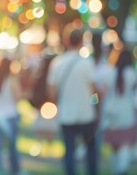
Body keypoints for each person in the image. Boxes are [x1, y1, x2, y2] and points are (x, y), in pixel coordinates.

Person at [47, 25, 98, 175]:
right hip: (86, 113)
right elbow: (93, 91)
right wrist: (94, 104)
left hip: (66, 113)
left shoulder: (57, 63)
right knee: (91, 150)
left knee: (69, 150)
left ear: (66, 41)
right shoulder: (87, 63)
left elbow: (51, 92)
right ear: (81, 41)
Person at [101, 49, 137, 175]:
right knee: (124, 142)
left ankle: (116, 169)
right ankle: (122, 169)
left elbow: (103, 91)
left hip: (110, 111)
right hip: (126, 112)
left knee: (114, 143)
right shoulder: (132, 74)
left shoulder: (110, 72)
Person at [0, 57, 23, 175]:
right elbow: (18, 97)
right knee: (12, 146)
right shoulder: (11, 80)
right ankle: (15, 170)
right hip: (9, 115)